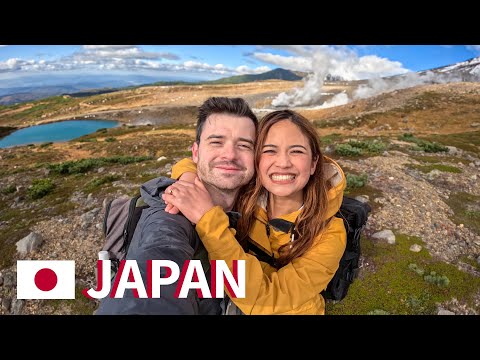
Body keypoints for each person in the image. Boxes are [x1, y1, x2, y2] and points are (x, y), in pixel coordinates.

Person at [163, 109, 347, 315]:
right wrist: (189, 180)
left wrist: (208, 221)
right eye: (269, 150)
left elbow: (266, 299)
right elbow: (195, 162)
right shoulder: (248, 192)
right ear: (256, 160)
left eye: (296, 151)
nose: (283, 163)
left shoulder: (330, 234)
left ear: (314, 163)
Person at [95, 96, 258, 315]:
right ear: (196, 152)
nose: (230, 155)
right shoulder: (169, 214)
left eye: (244, 145)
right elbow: (159, 263)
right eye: (216, 142)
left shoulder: (258, 202)